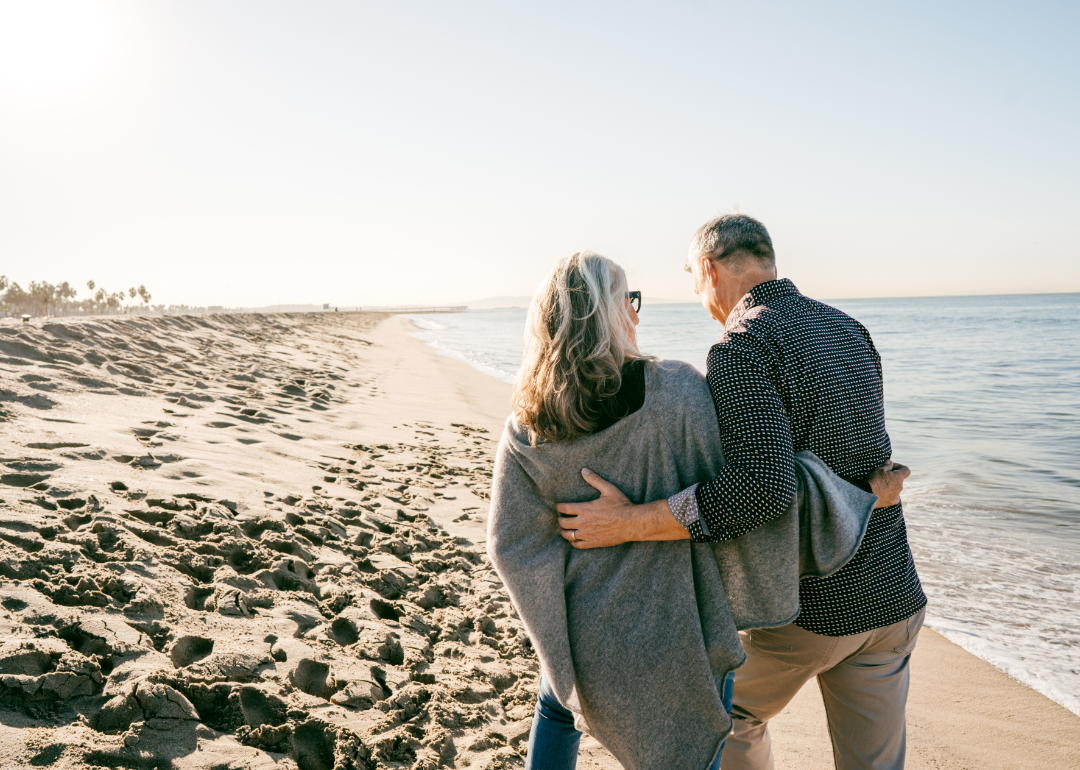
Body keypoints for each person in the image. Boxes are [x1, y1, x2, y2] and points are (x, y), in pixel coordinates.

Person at [487, 251, 904, 770]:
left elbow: (511, 544)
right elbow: (759, 487)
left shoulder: (526, 423)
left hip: (584, 624)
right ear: (610, 314)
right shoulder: (679, 392)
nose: (637, 313)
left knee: (556, 703)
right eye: (629, 301)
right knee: (706, 730)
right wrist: (862, 491)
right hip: (679, 618)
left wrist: (555, 628)